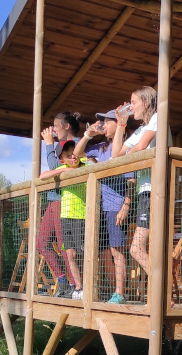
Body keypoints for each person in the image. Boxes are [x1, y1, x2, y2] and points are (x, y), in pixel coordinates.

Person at [110, 86, 170, 276]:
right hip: (145, 193)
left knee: (136, 249)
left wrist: (127, 155)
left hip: (156, 190)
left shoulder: (158, 117)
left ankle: (163, 292)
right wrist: (121, 125)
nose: (130, 106)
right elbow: (115, 155)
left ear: (146, 102)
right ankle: (162, 295)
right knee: (140, 249)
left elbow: (142, 146)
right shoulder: (142, 128)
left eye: (133, 102)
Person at [76, 110, 130, 303]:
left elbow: (131, 180)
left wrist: (126, 206)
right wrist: (88, 134)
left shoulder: (126, 147)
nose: (103, 126)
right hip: (100, 207)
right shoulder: (100, 147)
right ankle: (106, 290)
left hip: (117, 207)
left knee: (117, 251)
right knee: (102, 250)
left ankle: (120, 293)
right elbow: (77, 153)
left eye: (107, 122)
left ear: (118, 123)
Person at [38, 112, 81, 296]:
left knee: (66, 246)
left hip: (67, 201)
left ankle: (73, 285)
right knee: (41, 243)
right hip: (53, 200)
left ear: (66, 126)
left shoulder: (77, 146)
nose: (53, 130)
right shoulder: (59, 147)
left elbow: (56, 169)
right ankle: (62, 280)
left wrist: (48, 144)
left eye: (55, 126)